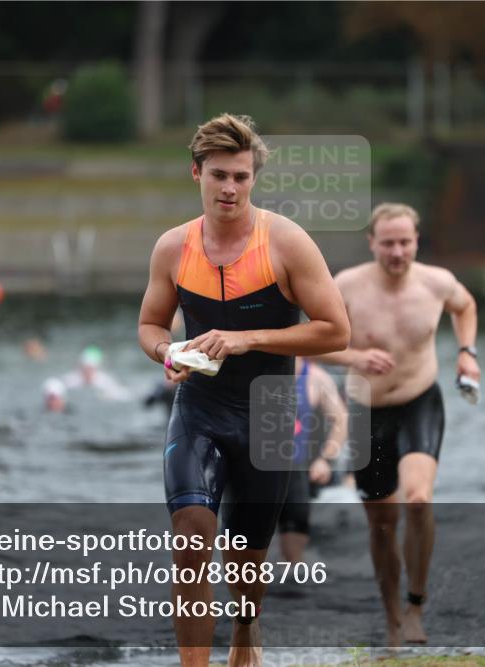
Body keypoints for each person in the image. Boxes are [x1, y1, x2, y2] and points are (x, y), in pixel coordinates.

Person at [136, 113, 350, 667]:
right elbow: (150, 327)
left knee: (246, 558)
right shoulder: (172, 248)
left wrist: (246, 337)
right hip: (200, 409)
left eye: (241, 176)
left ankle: (246, 628)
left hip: (270, 412)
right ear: (196, 174)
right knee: (190, 537)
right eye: (219, 176)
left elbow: (335, 330)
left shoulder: (286, 242)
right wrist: (168, 353)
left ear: (253, 178)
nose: (230, 188)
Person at [315, 202, 480, 647]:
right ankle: (391, 619)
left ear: (416, 241)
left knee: (420, 501)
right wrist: (353, 356)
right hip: (367, 411)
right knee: (382, 524)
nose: (397, 251)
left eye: (405, 241)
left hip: (419, 402)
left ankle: (415, 607)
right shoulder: (345, 286)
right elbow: (308, 341)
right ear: (372, 243)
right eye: (387, 242)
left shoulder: (437, 282)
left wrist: (467, 352)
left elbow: (465, 307)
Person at [276, 357, 348, 564]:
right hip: (261, 467)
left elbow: (342, 420)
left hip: (302, 467)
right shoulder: (256, 372)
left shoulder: (317, 378)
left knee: (292, 554)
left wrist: (325, 459)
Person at [59, 346, 128, 401]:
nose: (87, 372)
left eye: (90, 369)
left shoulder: (104, 381)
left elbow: (123, 395)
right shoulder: (71, 380)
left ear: (96, 369)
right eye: (85, 368)